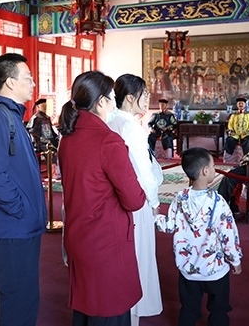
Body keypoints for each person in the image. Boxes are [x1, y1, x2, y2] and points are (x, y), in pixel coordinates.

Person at [58, 71, 146, 326]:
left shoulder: (68, 138)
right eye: (110, 98)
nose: (113, 104)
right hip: (106, 240)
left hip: (78, 234)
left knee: (86, 307)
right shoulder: (108, 140)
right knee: (109, 309)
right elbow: (134, 200)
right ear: (100, 103)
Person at [0, 53, 47, 326]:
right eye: (28, 77)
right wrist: (19, 208)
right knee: (18, 299)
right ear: (10, 82)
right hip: (11, 225)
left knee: (23, 297)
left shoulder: (11, 115)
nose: (33, 83)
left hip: (19, 223)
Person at [155, 147, 243, 326]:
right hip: (215, 271)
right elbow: (228, 235)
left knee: (188, 310)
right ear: (205, 171)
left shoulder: (179, 198)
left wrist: (156, 216)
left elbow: (169, 226)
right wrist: (235, 260)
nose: (214, 169)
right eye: (213, 166)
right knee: (219, 310)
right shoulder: (218, 202)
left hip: (188, 270)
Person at [107, 74, 163, 326]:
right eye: (144, 94)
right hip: (136, 200)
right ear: (130, 98)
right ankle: (132, 313)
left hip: (116, 200)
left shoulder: (112, 120)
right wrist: (154, 203)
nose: (148, 98)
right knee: (139, 256)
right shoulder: (130, 126)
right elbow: (143, 171)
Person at [27, 97, 60, 178]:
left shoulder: (47, 117)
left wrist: (56, 138)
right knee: (51, 153)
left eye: (45, 106)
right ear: (38, 107)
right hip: (40, 142)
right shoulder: (35, 118)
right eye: (43, 106)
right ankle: (53, 174)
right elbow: (31, 131)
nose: (45, 107)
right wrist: (41, 139)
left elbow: (51, 130)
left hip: (49, 140)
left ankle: (57, 172)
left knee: (59, 148)